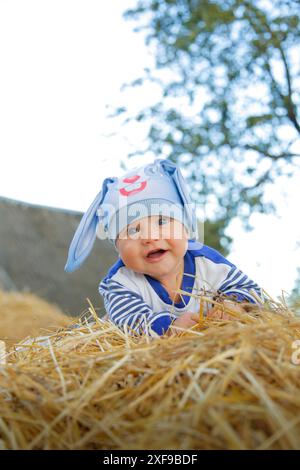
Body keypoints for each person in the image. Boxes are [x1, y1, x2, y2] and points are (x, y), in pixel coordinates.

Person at [65, 159, 264, 336]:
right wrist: (169, 329)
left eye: (162, 222)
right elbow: (130, 320)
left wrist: (233, 306)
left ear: (186, 228)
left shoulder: (207, 263)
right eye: (133, 231)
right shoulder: (120, 282)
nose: (149, 237)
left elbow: (250, 290)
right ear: (118, 247)